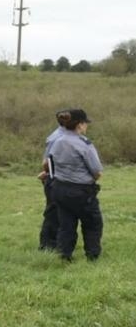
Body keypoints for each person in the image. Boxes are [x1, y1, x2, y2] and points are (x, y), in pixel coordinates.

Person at [48, 109, 104, 261]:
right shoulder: (84, 144)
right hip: (81, 191)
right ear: (79, 125)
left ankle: (64, 256)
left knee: (66, 224)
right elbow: (97, 171)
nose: (86, 126)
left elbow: (49, 162)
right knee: (92, 223)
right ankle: (92, 257)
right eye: (85, 123)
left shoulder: (56, 140)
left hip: (59, 188)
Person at [37, 110, 69, 250]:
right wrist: (48, 172)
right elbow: (47, 161)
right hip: (55, 179)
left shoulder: (59, 135)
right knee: (53, 212)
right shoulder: (59, 138)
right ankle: (47, 245)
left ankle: (55, 243)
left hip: (55, 177)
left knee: (57, 212)